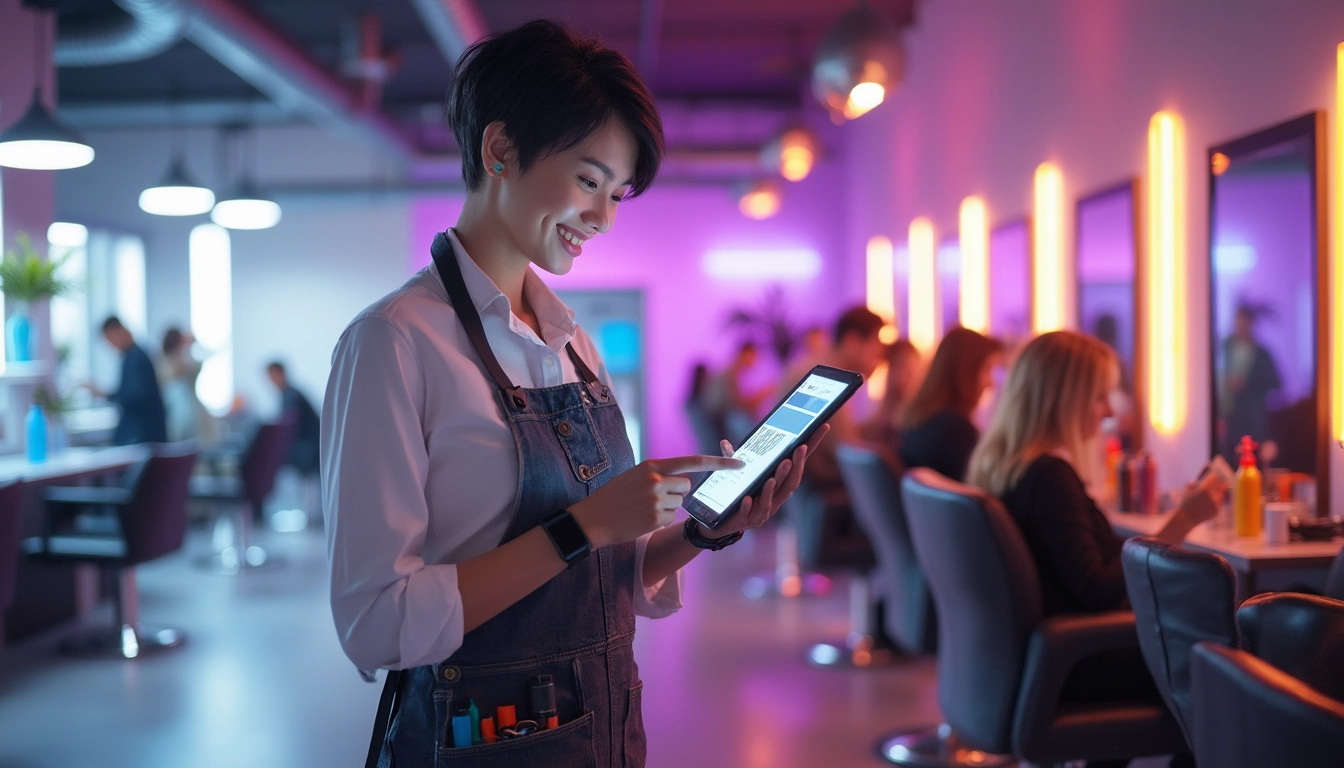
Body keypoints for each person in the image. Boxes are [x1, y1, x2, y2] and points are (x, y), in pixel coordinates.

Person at [321, 21, 825, 768]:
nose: (604, 217)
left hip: (607, 726)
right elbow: (377, 623)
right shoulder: (393, 343)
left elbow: (600, 576)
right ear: (499, 150)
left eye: (617, 193)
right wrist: (583, 525)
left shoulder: (573, 345)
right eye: (589, 181)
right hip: (484, 739)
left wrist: (701, 532)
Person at [968, 332, 1224, 768]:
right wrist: (1183, 519)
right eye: (1099, 397)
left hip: (1040, 662)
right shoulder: (1051, 479)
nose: (1108, 412)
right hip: (1078, 661)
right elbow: (1100, 590)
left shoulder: (1005, 468)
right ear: (1064, 398)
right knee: (1216, 669)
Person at [898, 327, 1002, 481]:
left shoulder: (917, 419)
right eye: (987, 370)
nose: (991, 383)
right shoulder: (956, 428)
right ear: (966, 372)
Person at [1219, 302, 1281, 464]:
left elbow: (1275, 382)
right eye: (1237, 322)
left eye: (1243, 323)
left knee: (1252, 462)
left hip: (1252, 419)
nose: (1239, 327)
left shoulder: (1261, 354)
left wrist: (1247, 383)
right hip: (1229, 418)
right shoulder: (1225, 348)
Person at [91, 316, 167, 446]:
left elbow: (136, 396)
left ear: (119, 331)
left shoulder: (135, 357)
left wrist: (106, 394)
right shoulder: (134, 355)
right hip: (143, 432)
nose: (110, 344)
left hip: (142, 434)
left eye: (110, 338)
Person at [701, 341, 769, 445]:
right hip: (721, 421)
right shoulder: (731, 372)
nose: (755, 360)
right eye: (754, 355)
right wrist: (762, 395)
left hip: (720, 420)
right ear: (745, 353)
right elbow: (737, 403)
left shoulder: (730, 370)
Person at [157, 327, 216, 444]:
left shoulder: (187, 359)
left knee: (195, 447)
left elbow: (207, 355)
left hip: (193, 411)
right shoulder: (162, 362)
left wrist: (194, 342)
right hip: (173, 412)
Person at [861, 339, 921, 452]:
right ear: (890, 368)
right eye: (905, 368)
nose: (911, 376)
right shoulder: (874, 407)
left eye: (914, 369)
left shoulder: (917, 415)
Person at [266, 361, 320, 478]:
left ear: (282, 374)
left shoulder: (292, 396)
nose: (271, 380)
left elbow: (287, 427)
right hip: (308, 446)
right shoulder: (289, 394)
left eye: (273, 375)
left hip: (308, 448)